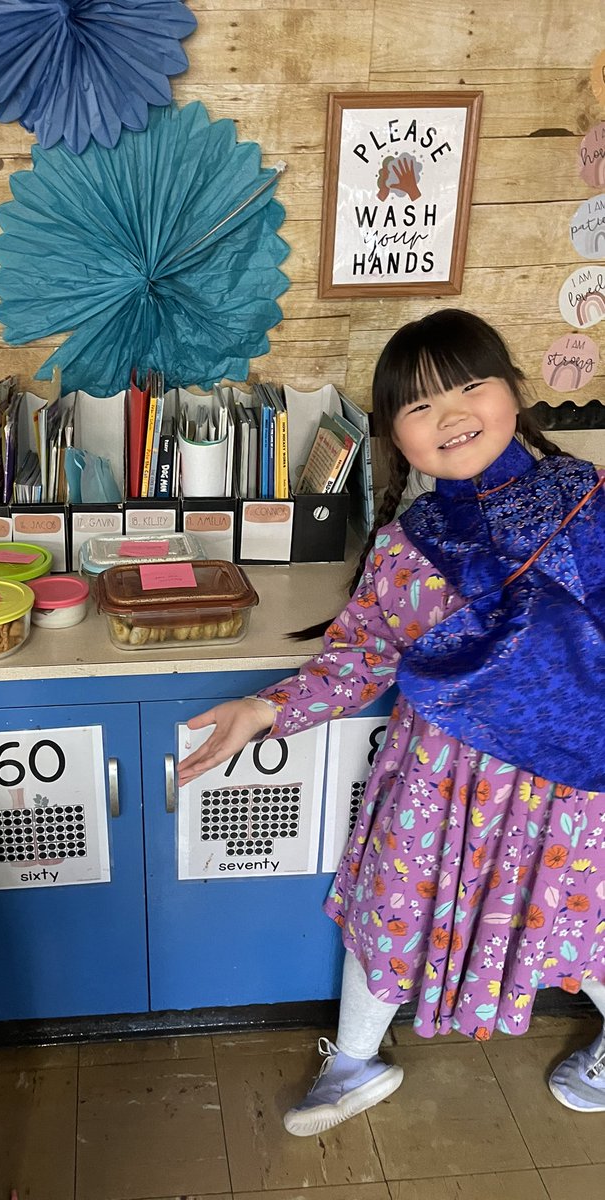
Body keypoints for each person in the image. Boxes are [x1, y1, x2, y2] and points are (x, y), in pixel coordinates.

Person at [178, 309, 605, 1137]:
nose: (450, 415)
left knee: (583, 918)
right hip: (435, 787)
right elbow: (359, 656)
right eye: (418, 406)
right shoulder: (408, 543)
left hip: (568, 787)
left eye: (471, 386)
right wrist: (265, 708)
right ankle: (355, 1059)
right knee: (388, 912)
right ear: (394, 438)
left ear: (516, 394)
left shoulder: (591, 506)